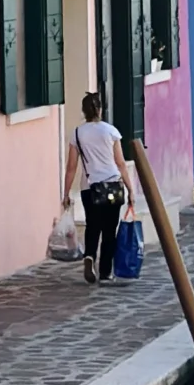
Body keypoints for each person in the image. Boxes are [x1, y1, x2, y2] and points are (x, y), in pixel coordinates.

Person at [63, 93, 136, 284]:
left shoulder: (77, 133)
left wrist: (66, 193)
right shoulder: (110, 131)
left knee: (93, 225)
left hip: (90, 188)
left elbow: (71, 167)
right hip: (112, 185)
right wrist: (130, 189)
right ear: (100, 109)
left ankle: (89, 257)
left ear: (83, 111)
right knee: (110, 229)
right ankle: (105, 272)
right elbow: (120, 163)